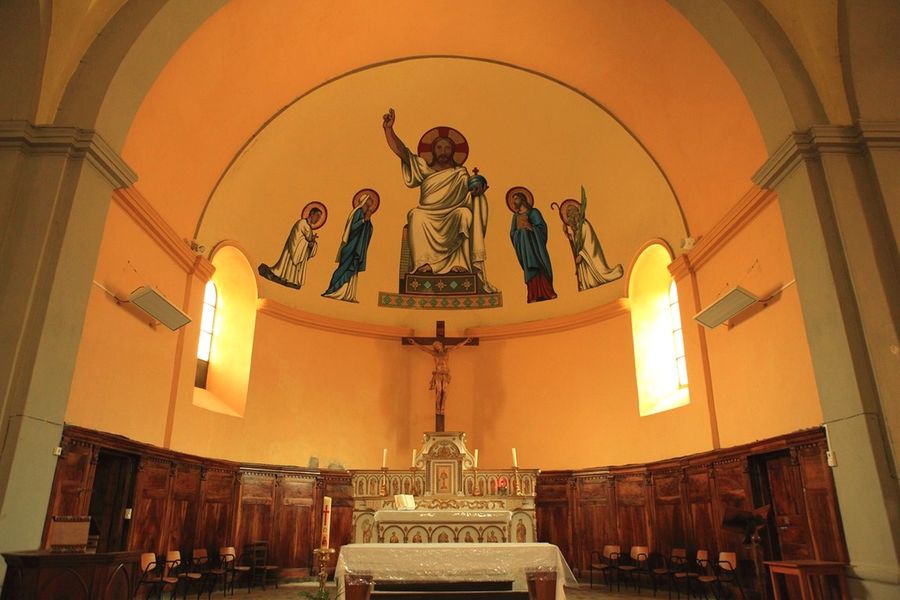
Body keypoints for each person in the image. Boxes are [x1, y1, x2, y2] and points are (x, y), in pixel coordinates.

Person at [382, 109, 496, 290]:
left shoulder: (460, 173)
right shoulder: (423, 168)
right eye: (439, 147)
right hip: (427, 213)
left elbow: (471, 193)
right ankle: (424, 264)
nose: (443, 151)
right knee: (416, 215)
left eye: (447, 148)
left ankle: (460, 264)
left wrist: (478, 192)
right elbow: (402, 152)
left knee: (465, 214)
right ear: (433, 150)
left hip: (452, 213)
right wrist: (389, 130)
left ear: (453, 151)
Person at [561, 188, 623, 291]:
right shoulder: (576, 230)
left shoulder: (584, 225)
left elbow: (589, 243)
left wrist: (581, 255)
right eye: (568, 215)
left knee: (593, 279)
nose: (570, 217)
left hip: (588, 259)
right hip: (584, 263)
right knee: (588, 281)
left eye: (572, 214)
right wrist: (567, 234)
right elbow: (576, 244)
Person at [322, 193, 376, 302]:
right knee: (343, 268)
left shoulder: (364, 213)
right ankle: (332, 291)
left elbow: (367, 231)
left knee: (351, 269)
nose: (371, 204)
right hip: (351, 247)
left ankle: (347, 295)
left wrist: (368, 222)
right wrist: (364, 220)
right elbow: (353, 227)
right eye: (369, 201)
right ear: (364, 201)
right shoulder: (358, 212)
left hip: (357, 247)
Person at [407, 336, 471, 421]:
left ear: (441, 344)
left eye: (438, 345)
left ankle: (442, 407)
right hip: (438, 374)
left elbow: (457, 346)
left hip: (445, 374)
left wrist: (465, 341)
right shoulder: (434, 354)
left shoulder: (447, 351)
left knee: (444, 391)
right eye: (435, 346)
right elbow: (423, 349)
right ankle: (438, 408)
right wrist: (414, 343)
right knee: (439, 391)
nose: (437, 347)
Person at [510, 191, 557, 303]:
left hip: (536, 248)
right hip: (525, 249)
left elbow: (542, 227)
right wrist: (520, 233)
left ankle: (548, 292)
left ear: (522, 199)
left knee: (540, 267)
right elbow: (512, 233)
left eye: (516, 198)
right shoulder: (515, 216)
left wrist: (531, 228)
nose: (514, 201)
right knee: (530, 271)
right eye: (513, 199)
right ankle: (533, 295)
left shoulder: (533, 212)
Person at [258, 207, 323, 289]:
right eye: (317, 215)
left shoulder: (308, 227)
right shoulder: (302, 223)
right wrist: (309, 243)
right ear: (312, 213)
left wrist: (312, 245)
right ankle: (283, 277)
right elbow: (306, 238)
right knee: (287, 267)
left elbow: (309, 240)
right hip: (294, 249)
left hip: (299, 251)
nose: (318, 219)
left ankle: (291, 280)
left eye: (319, 217)